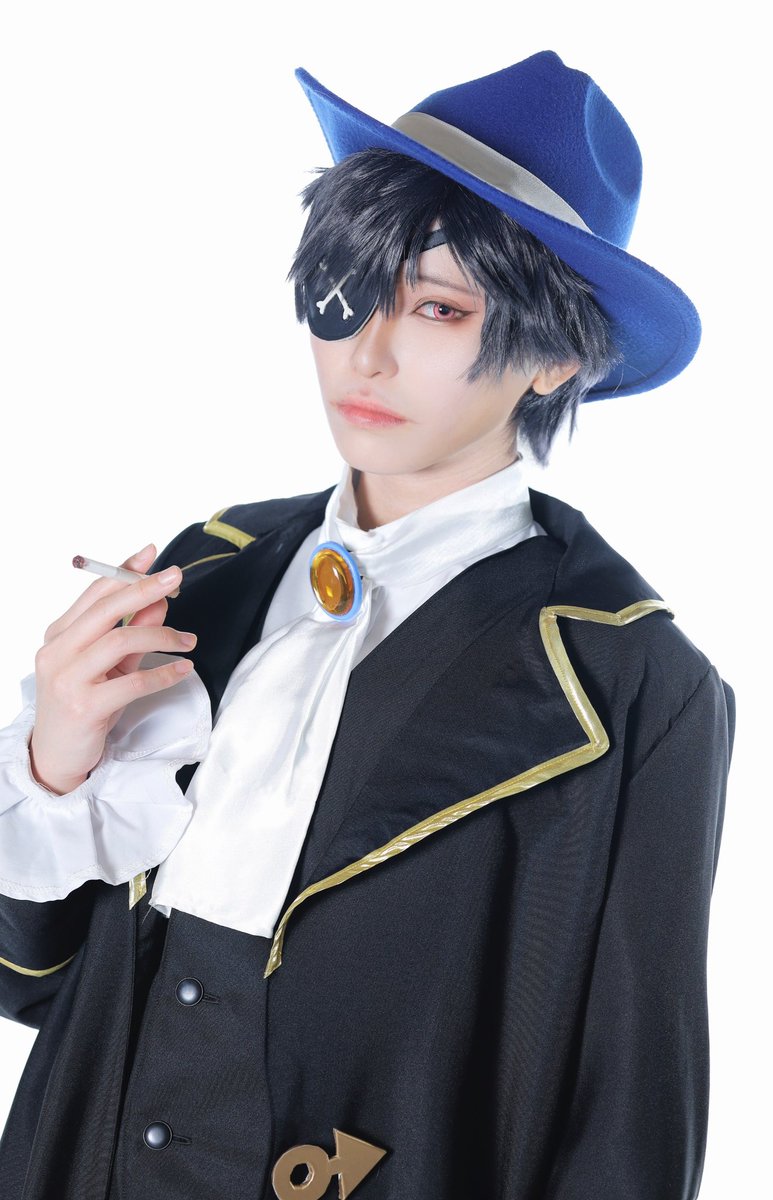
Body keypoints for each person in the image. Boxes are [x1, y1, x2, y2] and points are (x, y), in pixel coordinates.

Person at [0, 50, 734, 1200]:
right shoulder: (208, 570)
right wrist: (53, 769)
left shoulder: (627, 676)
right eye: (346, 287)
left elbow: (627, 1111)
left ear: (553, 356)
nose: (367, 352)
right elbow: (34, 983)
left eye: (437, 307)